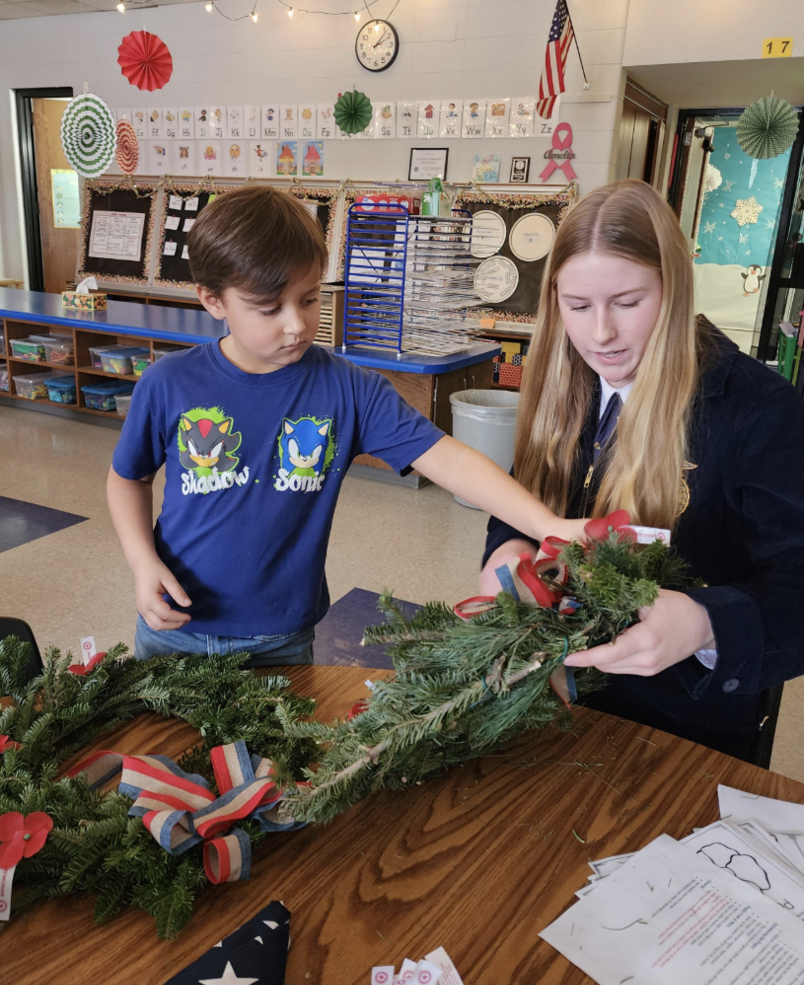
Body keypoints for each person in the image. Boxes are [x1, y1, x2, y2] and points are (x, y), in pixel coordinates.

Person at [108, 186, 586, 666]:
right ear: (213, 299)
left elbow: (452, 462)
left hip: (281, 639)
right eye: (269, 309)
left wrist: (546, 525)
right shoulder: (168, 383)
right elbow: (129, 478)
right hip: (175, 630)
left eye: (309, 298)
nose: (297, 325)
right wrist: (141, 562)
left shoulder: (351, 389)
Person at [480, 178, 804, 762]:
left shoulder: (760, 411)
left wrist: (704, 623)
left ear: (673, 291)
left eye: (628, 303)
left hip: (682, 727)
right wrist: (507, 549)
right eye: (578, 306)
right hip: (553, 695)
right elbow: (523, 500)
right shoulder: (566, 384)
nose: (600, 333)